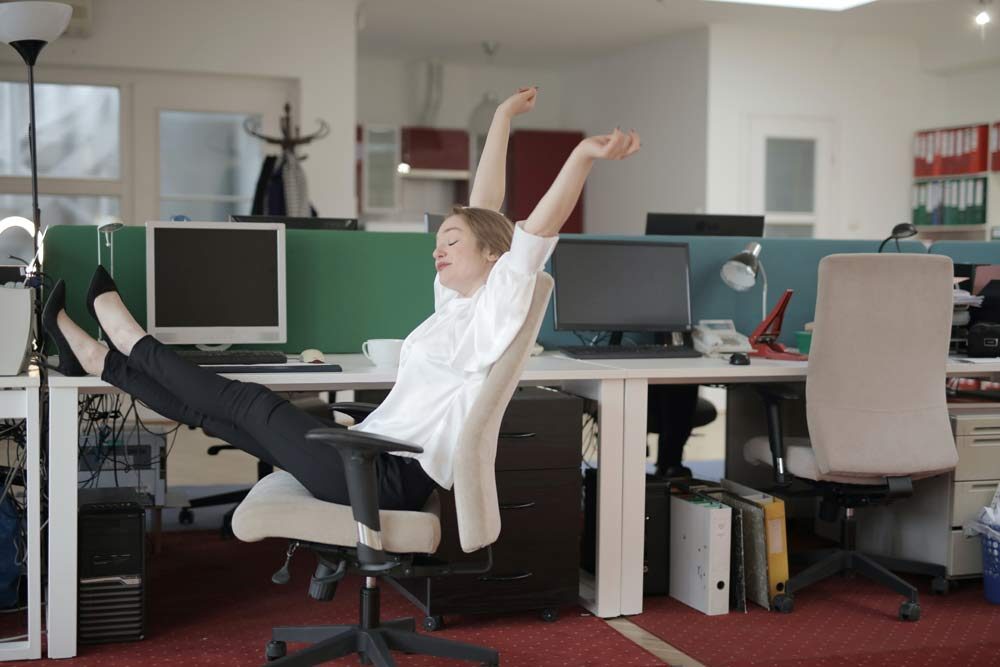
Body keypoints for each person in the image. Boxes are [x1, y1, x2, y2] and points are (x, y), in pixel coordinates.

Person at [42, 87, 641, 513]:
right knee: (212, 414)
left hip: (388, 476)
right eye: (437, 241)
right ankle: (105, 361)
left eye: (450, 242)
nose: (438, 249)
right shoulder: (454, 303)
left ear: (491, 256)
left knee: (248, 402)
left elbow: (532, 232)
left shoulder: (500, 303)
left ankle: (130, 340)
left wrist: (581, 157)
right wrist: (504, 117)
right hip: (370, 452)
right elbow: (482, 205)